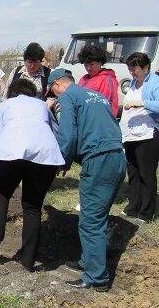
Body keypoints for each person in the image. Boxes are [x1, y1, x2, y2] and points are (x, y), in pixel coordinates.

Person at [48, 68, 126, 292]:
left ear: (57, 85)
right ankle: (88, 260)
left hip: (99, 160)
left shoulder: (67, 97)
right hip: (117, 157)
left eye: (52, 91)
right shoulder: (96, 95)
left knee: (91, 221)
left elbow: (68, 134)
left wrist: (62, 161)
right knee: (97, 216)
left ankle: (96, 277)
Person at [0, 78, 65, 272]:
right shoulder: (42, 105)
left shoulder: (6, 105)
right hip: (45, 156)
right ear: (33, 93)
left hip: (10, 152)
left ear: (12, 92)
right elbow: (55, 130)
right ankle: (28, 260)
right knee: (32, 207)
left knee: (1, 193)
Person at [118, 52, 159, 223]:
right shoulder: (134, 83)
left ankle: (146, 212)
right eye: (130, 69)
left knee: (146, 173)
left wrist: (142, 103)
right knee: (133, 172)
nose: (132, 72)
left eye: (134, 69)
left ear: (145, 68)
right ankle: (133, 207)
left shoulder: (155, 82)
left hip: (148, 134)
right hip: (131, 135)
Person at [77, 44, 119, 117]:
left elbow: (108, 103)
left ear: (100, 62)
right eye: (86, 65)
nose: (88, 68)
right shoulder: (83, 79)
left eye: (92, 64)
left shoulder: (107, 79)